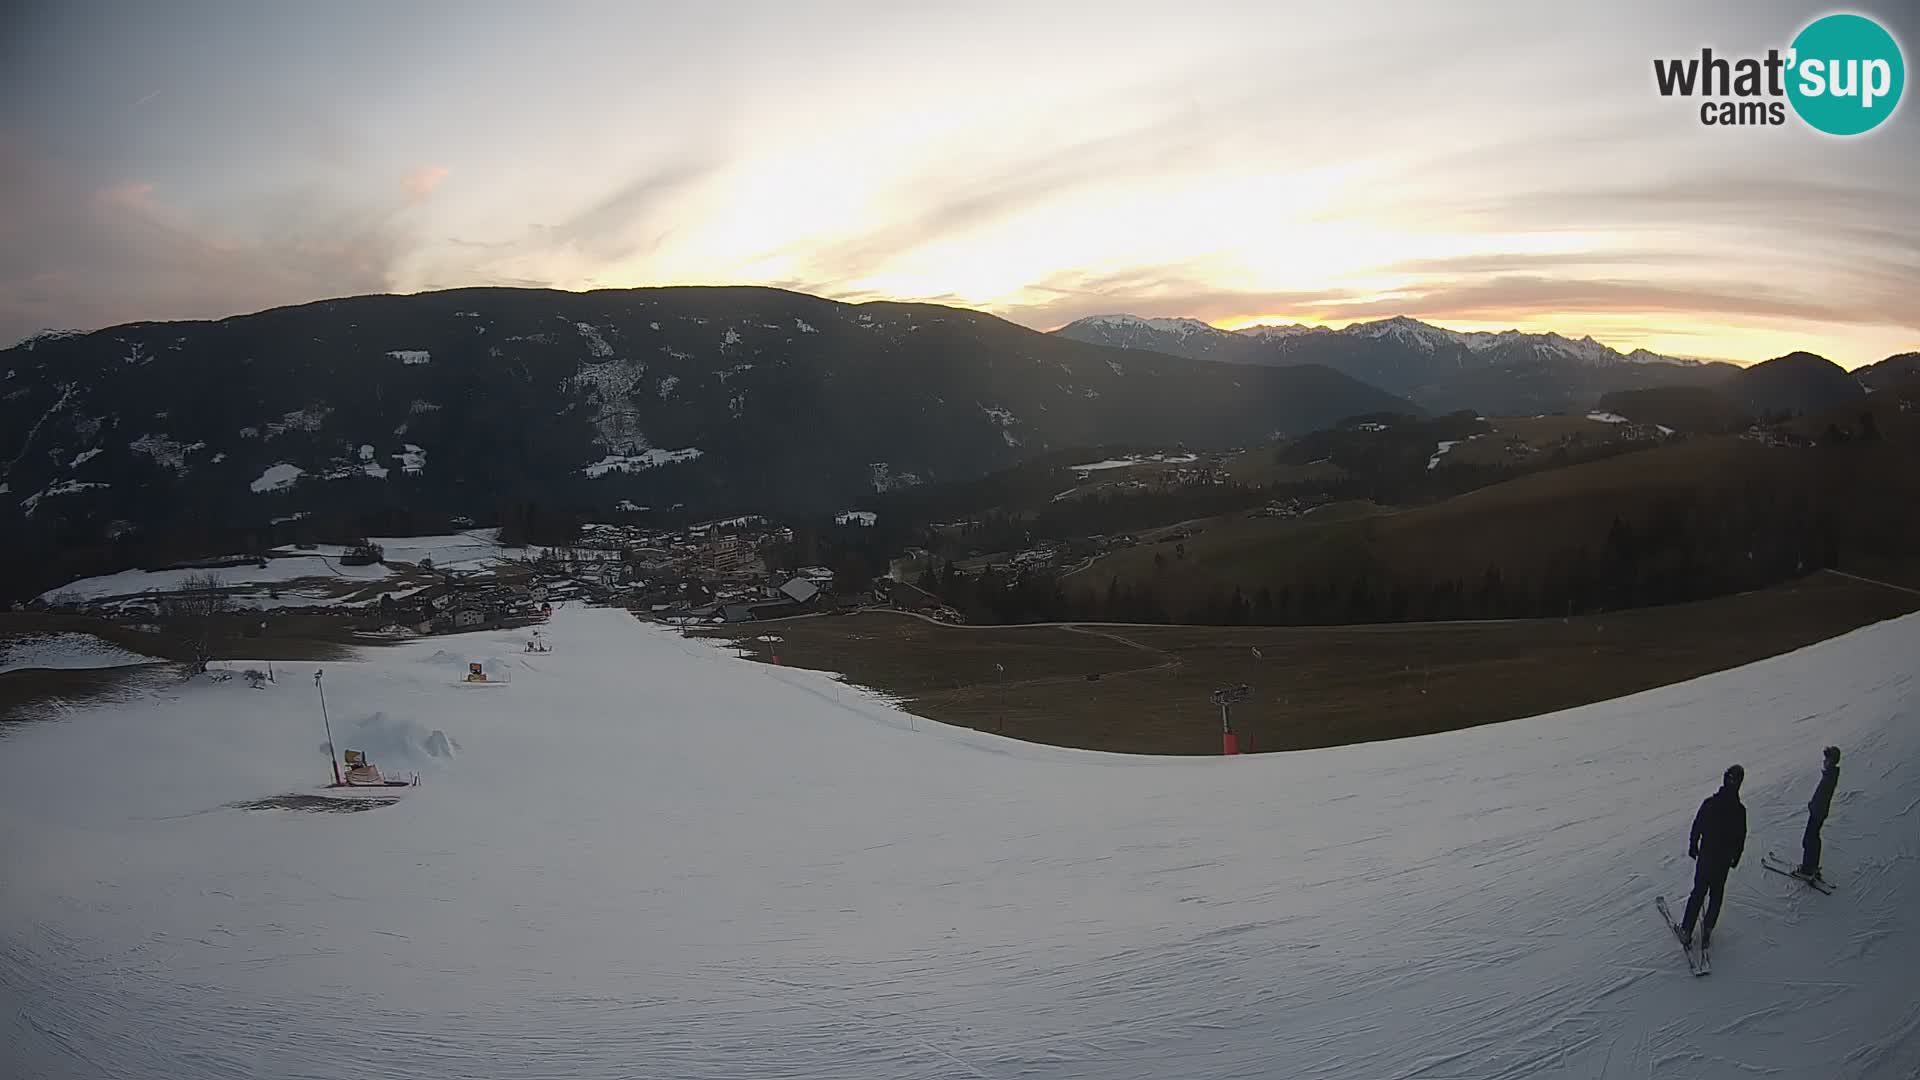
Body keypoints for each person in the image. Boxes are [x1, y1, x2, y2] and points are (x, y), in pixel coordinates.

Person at [1680, 764, 1747, 951]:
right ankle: (1707, 929)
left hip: (1708, 857)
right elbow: (1740, 837)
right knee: (1716, 894)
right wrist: (1736, 856)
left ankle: (1686, 930)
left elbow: (1697, 825)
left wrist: (1693, 844)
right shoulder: (1739, 811)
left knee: (1699, 892)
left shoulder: (1711, 803)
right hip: (1723, 861)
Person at [1796, 746, 1841, 881]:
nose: (1824, 761)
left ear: (1831, 761)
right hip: (1819, 811)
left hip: (1817, 811)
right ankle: (1812, 866)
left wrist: (1812, 805)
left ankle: (1807, 869)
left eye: (1826, 759)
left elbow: (1822, 797)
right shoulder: (1830, 775)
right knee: (1813, 837)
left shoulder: (1829, 777)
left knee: (1809, 838)